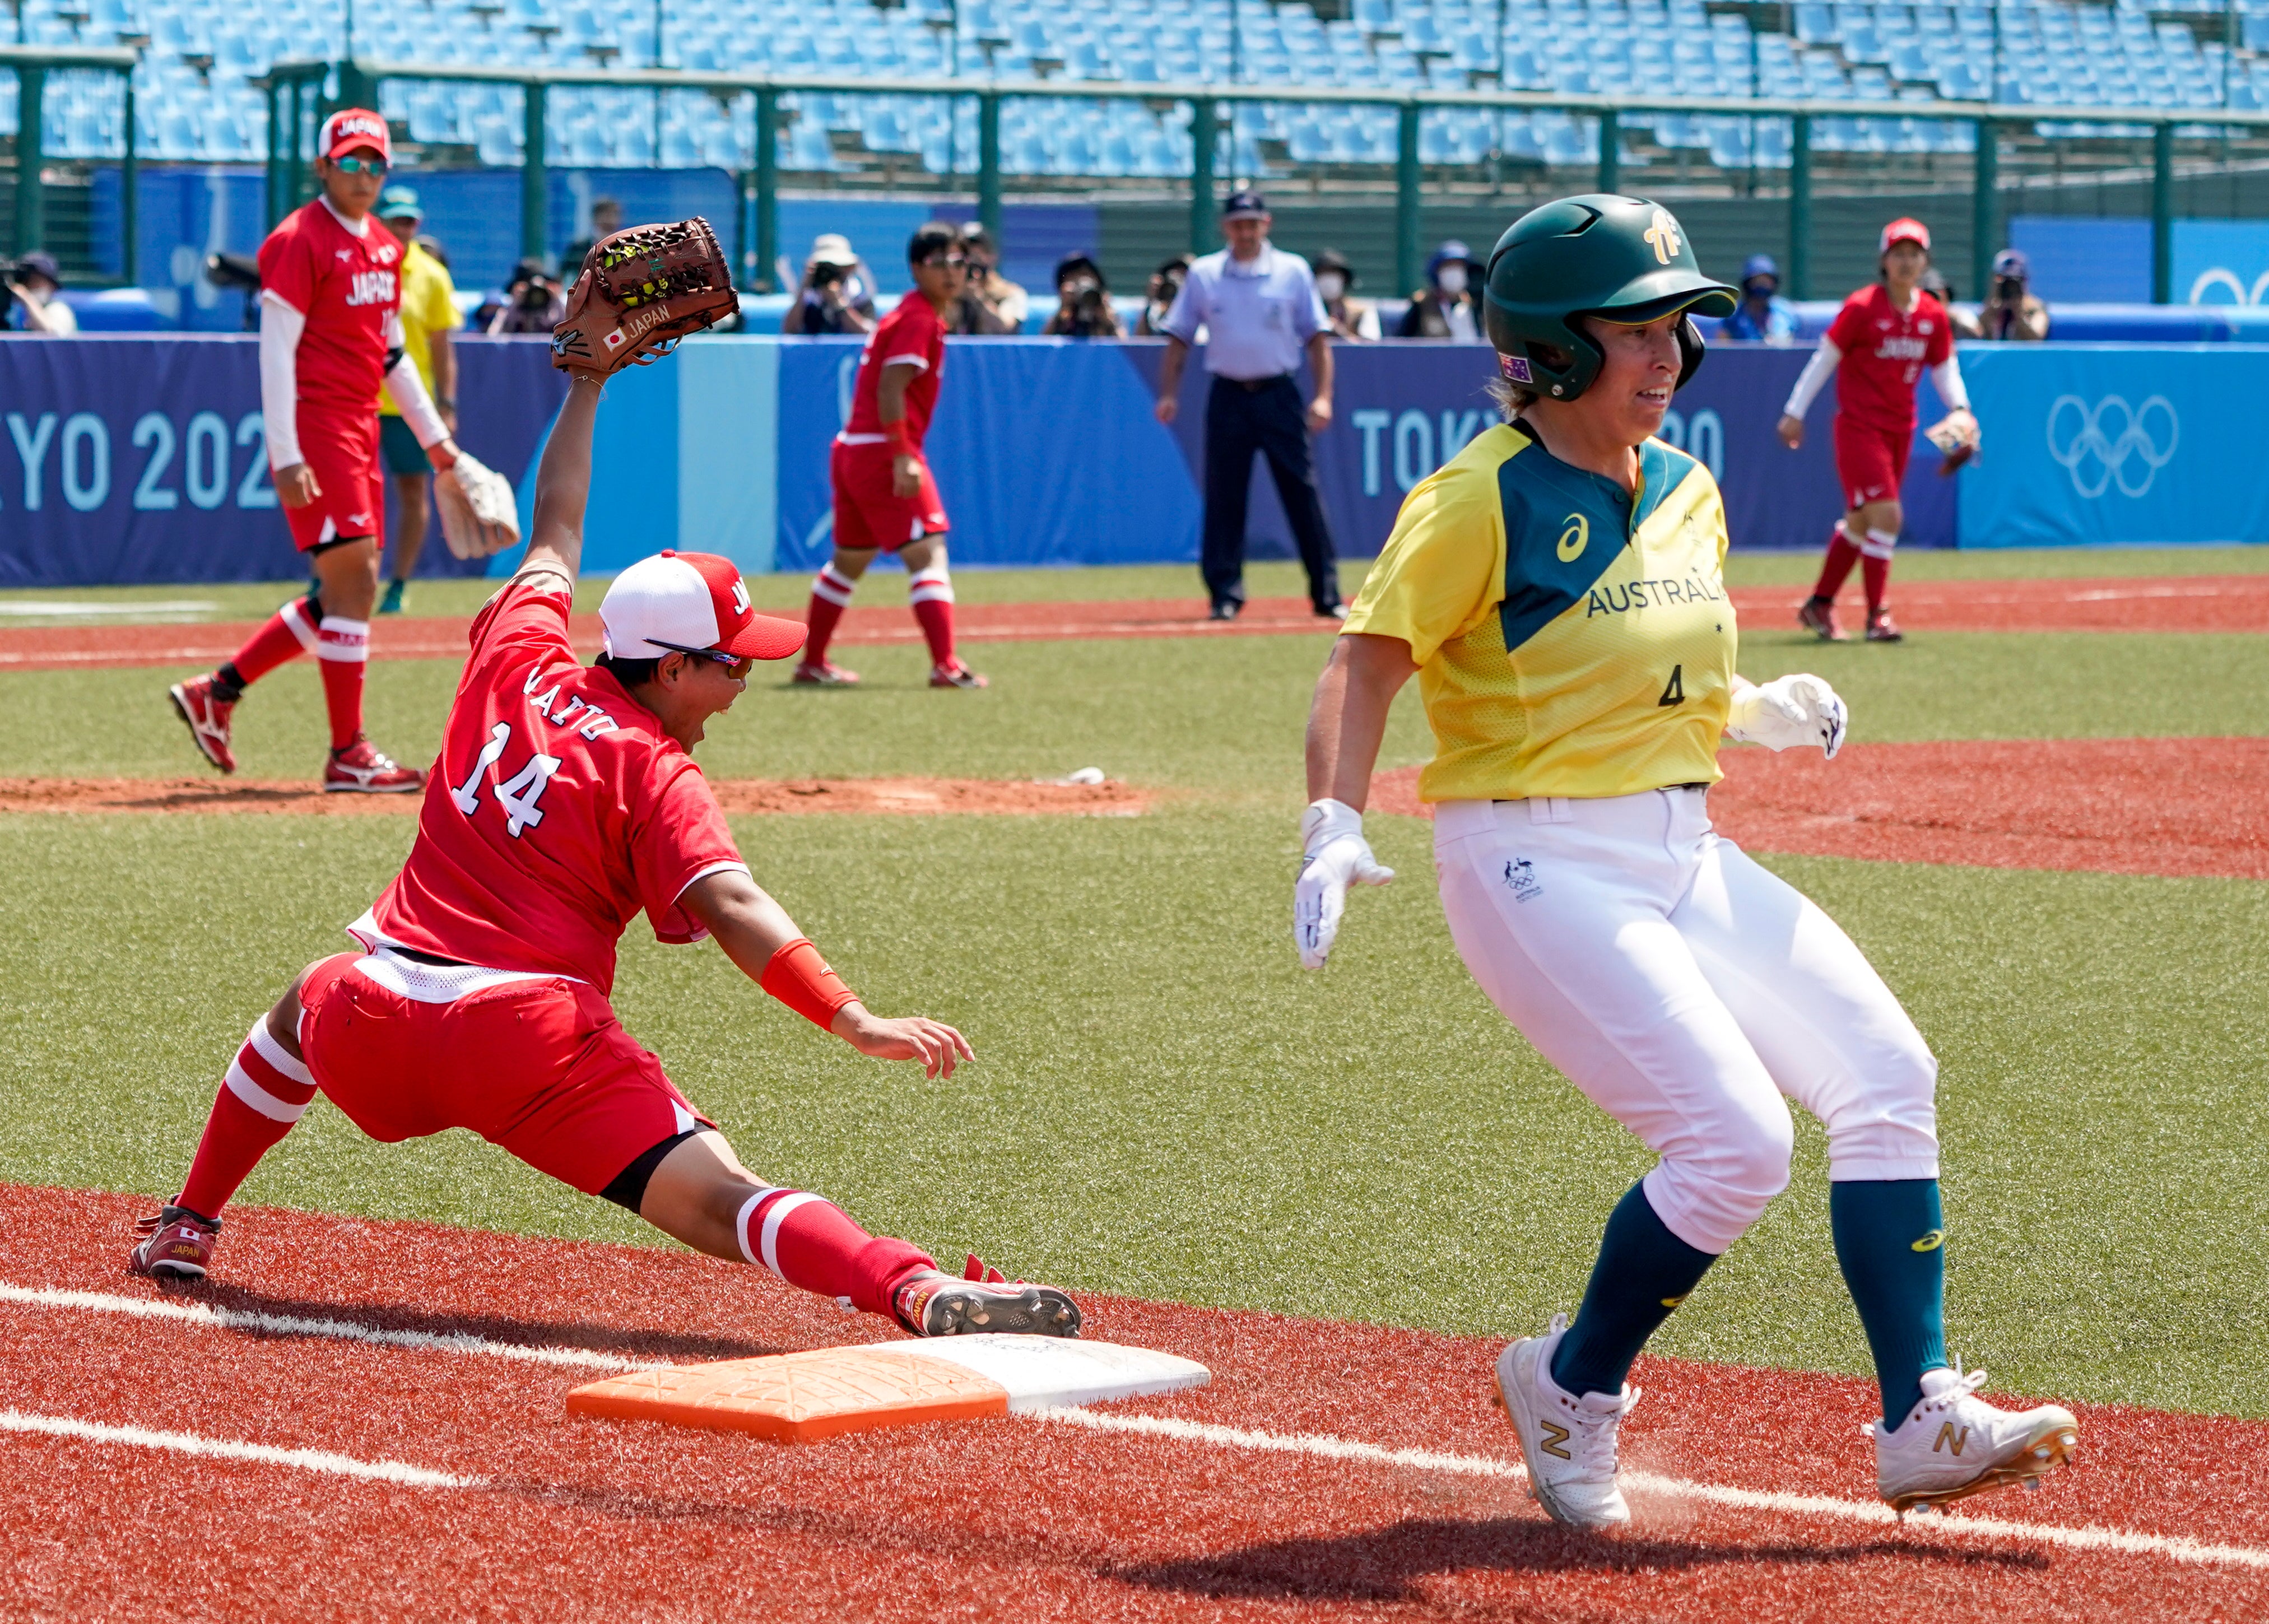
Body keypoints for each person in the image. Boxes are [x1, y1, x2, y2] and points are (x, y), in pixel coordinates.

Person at [1295, 191, 2080, 1532]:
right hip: (1529, 859)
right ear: (1548, 345)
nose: (1669, 359)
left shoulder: (1686, 485)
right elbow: (1364, 664)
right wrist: (1332, 820)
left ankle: (1917, 1419)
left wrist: (1748, 705)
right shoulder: (1473, 498)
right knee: (1733, 1140)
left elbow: (1661, 664)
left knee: (1888, 1076)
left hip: (1677, 840)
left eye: (1680, 331)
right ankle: (1565, 1388)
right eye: (1637, 331)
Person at [129, 341, 1082, 1347]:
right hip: (527, 1043)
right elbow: (734, 905)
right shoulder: (654, 767)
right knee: (727, 1200)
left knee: (302, 999)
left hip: (378, 1016)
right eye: (730, 664)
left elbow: (557, 525)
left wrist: (585, 381)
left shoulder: (516, 650)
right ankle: (911, 1286)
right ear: (669, 668)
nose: (744, 681)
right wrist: (852, 1016)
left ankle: (189, 1221)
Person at [166, 110, 465, 794]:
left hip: (360, 423)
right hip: (317, 425)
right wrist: (286, 451)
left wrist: (437, 441)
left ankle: (220, 691)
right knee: (356, 579)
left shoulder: (388, 248)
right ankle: (346, 750)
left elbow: (392, 353)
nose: (364, 176)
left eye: (375, 164)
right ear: (324, 166)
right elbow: (274, 354)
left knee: (348, 585)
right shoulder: (298, 239)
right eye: (352, 162)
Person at [794, 223, 988, 691]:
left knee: (848, 561)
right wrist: (903, 455)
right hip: (882, 451)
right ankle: (945, 664)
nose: (951, 272)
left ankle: (813, 662)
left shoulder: (910, 312)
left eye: (958, 262)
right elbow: (891, 387)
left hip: (855, 449)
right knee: (929, 554)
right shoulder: (919, 317)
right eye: (939, 262)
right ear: (917, 267)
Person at [1778, 218, 1979, 644]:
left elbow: (1945, 370)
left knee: (1860, 522)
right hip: (1858, 427)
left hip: (1899, 430)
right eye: (1898, 254)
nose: (1907, 262)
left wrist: (1961, 410)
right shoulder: (1863, 306)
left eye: (1914, 254)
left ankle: (1820, 604)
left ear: (1926, 261)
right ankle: (1877, 615)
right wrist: (1794, 411)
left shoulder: (1931, 313)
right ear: (1883, 261)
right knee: (1888, 515)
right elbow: (1824, 359)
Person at [1154, 191, 1343, 622]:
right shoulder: (1204, 274)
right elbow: (1179, 337)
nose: (1245, 232)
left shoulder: (1292, 271)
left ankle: (1326, 592)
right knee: (1225, 496)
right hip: (1229, 394)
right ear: (1226, 228)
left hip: (1279, 392)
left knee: (1302, 492)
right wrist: (1169, 392)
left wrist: (1323, 395)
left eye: (1252, 223)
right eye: (1238, 224)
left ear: (1267, 224)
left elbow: (1317, 338)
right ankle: (1225, 594)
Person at [375, 185, 464, 617]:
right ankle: (328, 578)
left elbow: (443, 349)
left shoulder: (431, 275)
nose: (402, 228)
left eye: (409, 221)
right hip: (358, 399)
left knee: (413, 493)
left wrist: (446, 404)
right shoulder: (360, 264)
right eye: (395, 219)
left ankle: (397, 584)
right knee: (351, 492)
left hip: (409, 405)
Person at [781, 234, 878, 336]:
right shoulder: (809, 303)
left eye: (835, 266)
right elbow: (789, 331)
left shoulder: (860, 301)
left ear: (850, 268)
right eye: (824, 267)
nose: (828, 273)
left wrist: (839, 304)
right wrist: (803, 289)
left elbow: (869, 335)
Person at [948, 221, 1027, 334]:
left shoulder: (1010, 293)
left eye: (977, 257)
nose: (971, 265)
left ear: (992, 257)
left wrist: (977, 297)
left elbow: (1005, 328)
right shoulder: (951, 292)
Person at [1396, 240, 1484, 339]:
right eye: (1449, 266)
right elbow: (1401, 342)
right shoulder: (1421, 305)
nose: (1455, 272)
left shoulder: (1474, 305)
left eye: (1460, 267)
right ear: (1437, 272)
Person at [1039, 253, 1123, 338]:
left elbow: (1123, 346)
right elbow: (1044, 346)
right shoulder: (1064, 316)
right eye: (1073, 277)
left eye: (1085, 274)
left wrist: (1106, 317)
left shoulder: (1107, 313)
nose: (1081, 281)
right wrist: (1062, 310)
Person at [1719, 253, 1798, 344]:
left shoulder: (1785, 313)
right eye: (1757, 282)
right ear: (1747, 284)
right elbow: (1723, 347)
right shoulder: (1733, 316)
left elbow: (1794, 347)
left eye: (1766, 282)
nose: (1762, 287)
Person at [1978, 248, 2051, 341]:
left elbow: (2036, 339)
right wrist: (1993, 306)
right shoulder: (1992, 307)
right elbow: (1979, 334)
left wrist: (2019, 315)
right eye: (2005, 280)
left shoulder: (2035, 309)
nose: (2010, 287)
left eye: (2016, 281)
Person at [485, 260, 567, 336]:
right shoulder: (509, 311)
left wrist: (555, 299)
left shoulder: (555, 309)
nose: (534, 293)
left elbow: (569, 328)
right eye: (527, 284)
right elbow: (493, 337)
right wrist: (516, 302)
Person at [1313, 248, 1379, 342]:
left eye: (1333, 273)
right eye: (1322, 273)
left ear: (1345, 279)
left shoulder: (1363, 311)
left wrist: (1340, 333)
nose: (1328, 280)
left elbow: (1372, 348)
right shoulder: (1306, 311)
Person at [6, 250, 78, 334]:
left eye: (36, 281)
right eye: (27, 281)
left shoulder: (58, 308)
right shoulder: (15, 310)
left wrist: (27, 298)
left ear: (52, 286)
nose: (30, 285)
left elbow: (54, 337)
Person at [560, 196, 622, 282]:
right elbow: (562, 274)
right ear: (596, 217)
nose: (612, 219)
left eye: (616, 214)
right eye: (608, 214)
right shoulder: (579, 247)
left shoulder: (623, 246)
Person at [1134, 253, 1193, 337]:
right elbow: (1140, 343)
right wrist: (1151, 300)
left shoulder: (1202, 312)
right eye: (1172, 278)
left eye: (1182, 278)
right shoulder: (1155, 313)